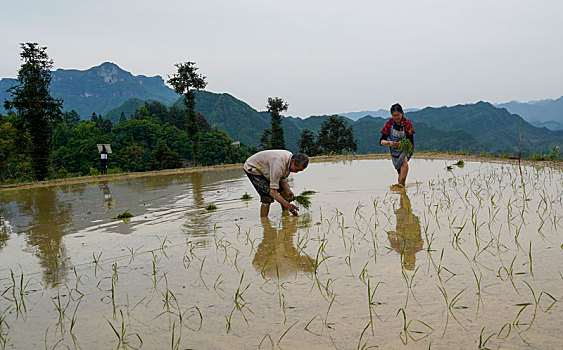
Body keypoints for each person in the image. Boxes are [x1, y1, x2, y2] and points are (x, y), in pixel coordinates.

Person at [244, 150, 309, 217]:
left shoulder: (289, 160)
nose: (296, 172)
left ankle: (285, 216)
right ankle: (264, 221)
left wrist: (288, 190)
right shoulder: (278, 165)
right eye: (297, 169)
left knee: (285, 193)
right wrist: (288, 205)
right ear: (293, 161)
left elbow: (282, 178)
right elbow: (273, 192)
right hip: (253, 168)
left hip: (268, 167)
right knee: (267, 197)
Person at [380, 103, 415, 187]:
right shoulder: (389, 123)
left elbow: (410, 140)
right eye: (394, 115)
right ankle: (401, 190)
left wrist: (402, 143)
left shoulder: (407, 123)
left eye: (398, 115)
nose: (396, 117)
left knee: (404, 162)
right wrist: (389, 142)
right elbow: (381, 141)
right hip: (394, 149)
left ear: (402, 113)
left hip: (406, 147)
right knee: (399, 170)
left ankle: (402, 184)